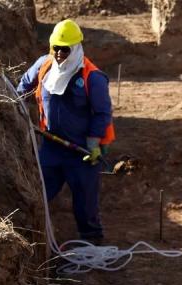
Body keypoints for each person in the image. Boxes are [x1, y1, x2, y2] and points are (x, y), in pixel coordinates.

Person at [16, 19, 114, 243]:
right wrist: (14, 105)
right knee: (39, 194)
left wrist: (93, 142)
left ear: (76, 47)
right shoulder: (44, 65)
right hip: (51, 148)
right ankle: (34, 239)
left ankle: (92, 242)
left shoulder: (92, 78)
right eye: (56, 48)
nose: (59, 53)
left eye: (65, 49)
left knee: (85, 202)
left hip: (81, 152)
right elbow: (23, 86)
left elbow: (102, 114)